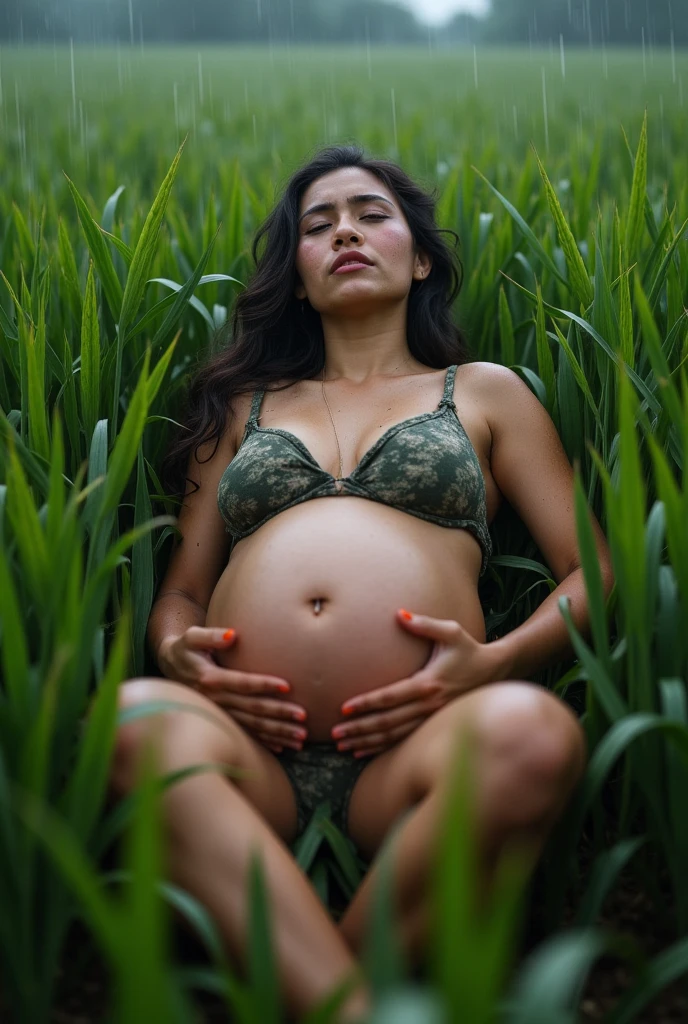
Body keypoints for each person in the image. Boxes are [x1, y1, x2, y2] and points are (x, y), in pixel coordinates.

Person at [110, 144, 611, 1022]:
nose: (344, 229)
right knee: (134, 723)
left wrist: (493, 665)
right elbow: (182, 591)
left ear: (420, 260)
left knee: (536, 733)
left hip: (414, 752)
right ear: (298, 279)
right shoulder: (242, 406)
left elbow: (596, 573)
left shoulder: (484, 393)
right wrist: (177, 653)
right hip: (248, 746)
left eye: (371, 214)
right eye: (317, 224)